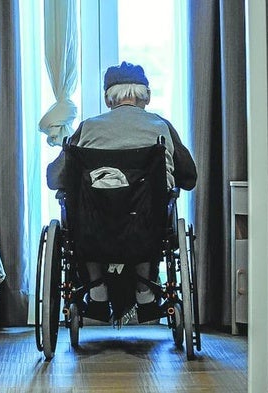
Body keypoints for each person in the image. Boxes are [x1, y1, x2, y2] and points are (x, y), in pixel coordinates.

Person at [47, 61, 197, 323]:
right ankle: (145, 292)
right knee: (144, 214)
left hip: (93, 231)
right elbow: (188, 178)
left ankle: (96, 290)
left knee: (87, 217)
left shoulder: (88, 128)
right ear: (146, 95)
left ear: (108, 98)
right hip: (146, 230)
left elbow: (55, 178)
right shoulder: (161, 127)